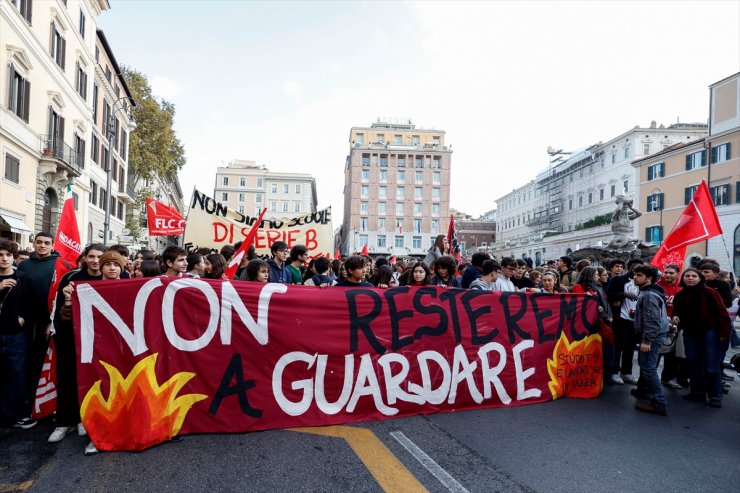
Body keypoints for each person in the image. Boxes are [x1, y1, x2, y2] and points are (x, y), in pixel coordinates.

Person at [55, 250, 125, 455]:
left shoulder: (129, 286)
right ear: (99, 267)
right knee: (94, 388)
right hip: (90, 347)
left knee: (113, 389)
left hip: (117, 349)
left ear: (121, 268)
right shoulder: (79, 285)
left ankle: (113, 431)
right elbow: (66, 317)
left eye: (116, 265)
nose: (111, 268)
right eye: (107, 264)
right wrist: (68, 300)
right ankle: (96, 433)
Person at [48, 244, 106, 445]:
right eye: (91, 256)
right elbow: (58, 307)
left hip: (100, 342)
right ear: (85, 258)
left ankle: (85, 418)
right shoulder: (70, 278)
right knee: (67, 378)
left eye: (100, 256)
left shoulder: (114, 278)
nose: (96, 260)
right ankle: (65, 421)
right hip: (71, 337)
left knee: (94, 379)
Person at [16, 232, 60, 424]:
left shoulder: (60, 264)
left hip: (49, 322)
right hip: (27, 322)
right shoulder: (24, 265)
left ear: (52, 245)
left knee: (46, 362)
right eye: (39, 242)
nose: (42, 246)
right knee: (29, 362)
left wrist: (52, 321)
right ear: (33, 244)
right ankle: (29, 402)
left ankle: (47, 403)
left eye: (46, 243)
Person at [672, 268, 731, 408]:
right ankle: (696, 392)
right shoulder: (681, 295)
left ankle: (715, 394)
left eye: (694, 276)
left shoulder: (710, 292)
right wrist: (674, 316)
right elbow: (676, 310)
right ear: (683, 278)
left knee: (711, 365)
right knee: (693, 363)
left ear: (699, 278)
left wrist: (723, 333)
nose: (690, 278)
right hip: (690, 332)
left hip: (709, 331)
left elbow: (722, 313)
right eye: (687, 276)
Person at [0, 239, 34, 428]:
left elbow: (33, 304)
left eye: (8, 255)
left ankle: (15, 415)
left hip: (16, 336)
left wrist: (23, 318)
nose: (4, 259)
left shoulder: (23, 278)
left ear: (13, 257)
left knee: (17, 375)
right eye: (0, 255)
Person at [631, 265, 669, 416]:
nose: (635, 277)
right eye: (634, 275)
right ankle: (646, 393)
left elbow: (653, 320)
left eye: (639, 275)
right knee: (646, 366)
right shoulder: (649, 292)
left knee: (648, 368)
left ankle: (659, 402)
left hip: (652, 336)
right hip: (653, 334)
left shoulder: (649, 295)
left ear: (649, 278)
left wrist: (647, 340)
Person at [606, 258, 642, 385]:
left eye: (639, 268)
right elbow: (609, 294)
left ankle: (627, 372)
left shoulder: (642, 282)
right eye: (634, 267)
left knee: (631, 346)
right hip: (620, 317)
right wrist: (624, 294)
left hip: (635, 319)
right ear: (629, 267)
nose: (636, 270)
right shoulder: (618, 280)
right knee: (618, 346)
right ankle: (614, 372)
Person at [656, 264, 683, 389]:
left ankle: (667, 378)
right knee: (656, 353)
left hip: (675, 326)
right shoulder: (656, 286)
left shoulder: (681, 289)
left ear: (677, 274)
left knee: (672, 354)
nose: (667, 275)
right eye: (666, 272)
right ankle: (647, 380)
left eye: (671, 273)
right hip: (658, 325)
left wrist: (677, 315)